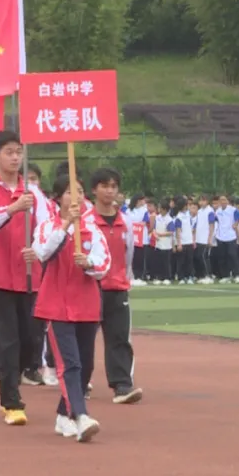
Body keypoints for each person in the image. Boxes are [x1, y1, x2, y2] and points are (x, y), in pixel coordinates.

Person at [0, 131, 50, 426]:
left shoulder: (34, 193)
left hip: (30, 274)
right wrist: (12, 209)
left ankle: (12, 377)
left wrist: (38, 250)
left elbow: (47, 225)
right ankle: (11, 400)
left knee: (31, 338)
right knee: (7, 338)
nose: (15, 157)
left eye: (19, 152)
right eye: (9, 152)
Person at [32, 174, 108, 442]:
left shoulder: (92, 230)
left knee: (86, 365)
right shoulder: (46, 227)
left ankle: (63, 415)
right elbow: (42, 252)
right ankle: (81, 415)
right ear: (58, 198)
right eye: (68, 192)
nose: (74, 198)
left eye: (79, 192)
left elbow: (104, 264)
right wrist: (65, 225)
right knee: (70, 363)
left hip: (87, 304)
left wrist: (88, 263)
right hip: (57, 305)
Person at [85, 168, 143, 405]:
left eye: (114, 186)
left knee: (119, 337)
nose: (110, 191)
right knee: (85, 339)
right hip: (90, 287)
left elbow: (128, 254)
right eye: (104, 186)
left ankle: (122, 384)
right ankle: (79, 381)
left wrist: (123, 278)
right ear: (94, 190)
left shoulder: (125, 222)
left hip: (117, 286)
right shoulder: (87, 221)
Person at [210, 195, 239, 283]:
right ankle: (225, 276)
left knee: (233, 256)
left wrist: (236, 223)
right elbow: (215, 222)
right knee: (222, 257)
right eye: (221, 200)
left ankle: (237, 275)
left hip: (231, 236)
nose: (223, 202)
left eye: (224, 200)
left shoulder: (232, 209)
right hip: (220, 236)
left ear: (227, 201)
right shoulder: (217, 211)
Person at [193, 195, 214, 283]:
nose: (202, 203)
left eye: (204, 201)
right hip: (199, 237)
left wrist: (210, 238)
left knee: (204, 257)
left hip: (205, 237)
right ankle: (201, 275)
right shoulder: (199, 211)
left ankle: (207, 275)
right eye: (200, 201)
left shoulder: (210, 211)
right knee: (198, 257)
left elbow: (211, 225)